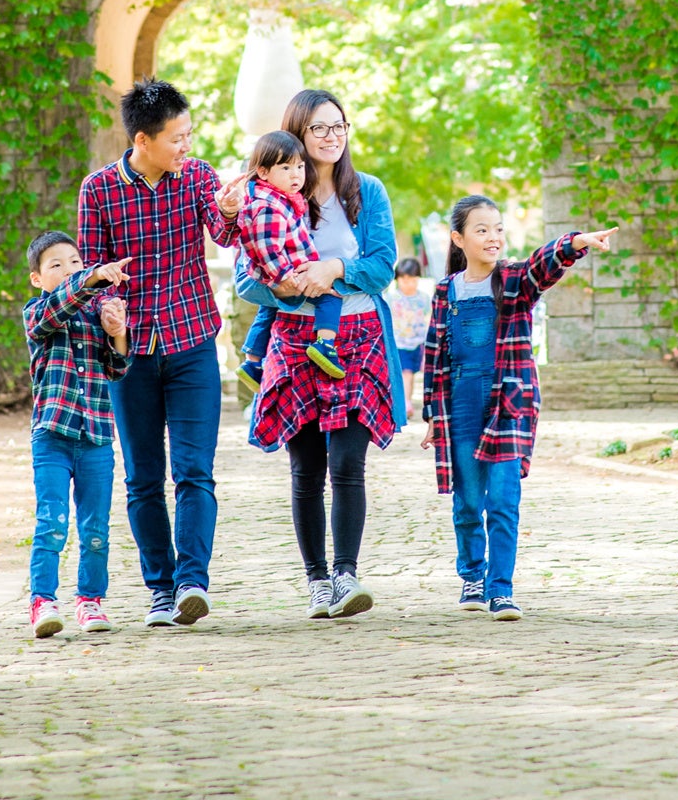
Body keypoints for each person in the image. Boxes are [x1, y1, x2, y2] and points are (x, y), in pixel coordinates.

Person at [77, 78, 243, 629]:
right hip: (131, 354)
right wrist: (106, 306)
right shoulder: (99, 190)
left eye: (189, 134)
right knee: (143, 479)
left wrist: (228, 211)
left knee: (195, 471)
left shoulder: (198, 176)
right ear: (143, 140)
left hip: (193, 340)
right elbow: (91, 273)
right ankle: (160, 590)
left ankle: (193, 582)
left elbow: (224, 234)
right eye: (177, 137)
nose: (186, 145)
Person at [241, 88, 403, 621]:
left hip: (359, 337)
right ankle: (316, 582)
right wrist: (288, 287)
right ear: (297, 133)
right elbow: (246, 279)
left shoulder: (367, 191)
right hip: (295, 340)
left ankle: (346, 575)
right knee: (306, 468)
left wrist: (334, 269)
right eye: (319, 128)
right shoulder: (273, 191)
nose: (332, 137)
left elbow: (382, 265)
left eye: (339, 126)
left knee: (348, 462)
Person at [418, 196, 615, 621]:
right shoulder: (445, 291)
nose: (493, 238)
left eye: (498, 229)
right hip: (459, 404)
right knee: (468, 502)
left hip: (507, 403)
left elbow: (543, 265)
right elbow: (434, 354)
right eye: (482, 230)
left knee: (504, 501)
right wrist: (432, 413)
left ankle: (501, 590)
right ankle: (472, 576)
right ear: (458, 238)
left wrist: (576, 242)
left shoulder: (514, 280)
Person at [22, 231, 132, 638]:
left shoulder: (94, 313)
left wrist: (117, 330)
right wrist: (92, 278)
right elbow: (60, 306)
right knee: (52, 522)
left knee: (96, 528)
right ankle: (42, 601)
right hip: (52, 435)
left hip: (97, 437)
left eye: (75, 262)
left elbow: (117, 368)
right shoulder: (37, 312)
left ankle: (90, 600)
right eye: (56, 265)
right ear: (37, 278)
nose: (69, 270)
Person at [235, 131, 343, 378]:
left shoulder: (277, 198)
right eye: (285, 168)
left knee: (268, 310)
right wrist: (285, 277)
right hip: (287, 273)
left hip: (277, 273)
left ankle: (252, 362)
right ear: (263, 172)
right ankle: (325, 345)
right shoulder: (269, 206)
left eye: (300, 166)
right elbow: (267, 247)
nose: (295, 174)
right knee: (330, 297)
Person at [384, 256, 430, 415]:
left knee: (415, 373)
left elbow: (427, 318)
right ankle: (406, 403)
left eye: (412, 280)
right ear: (397, 279)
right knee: (406, 373)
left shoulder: (424, 298)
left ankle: (408, 400)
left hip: (418, 343)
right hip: (400, 343)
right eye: (404, 280)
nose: (408, 283)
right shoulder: (392, 298)